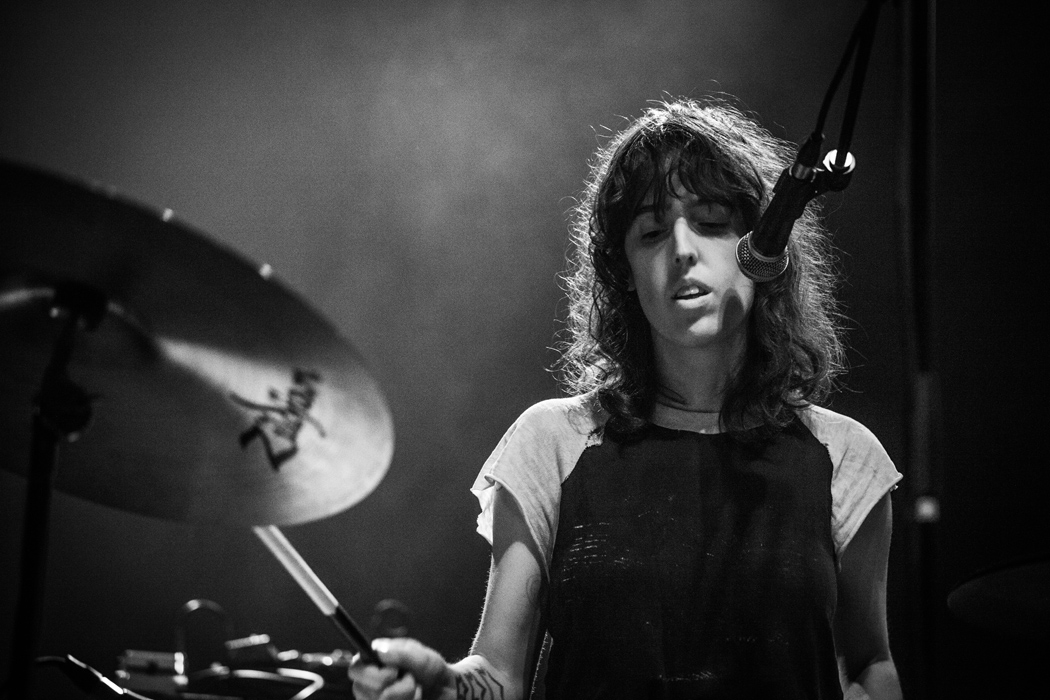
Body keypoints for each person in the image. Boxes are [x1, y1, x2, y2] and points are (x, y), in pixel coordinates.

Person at [349, 98, 903, 700]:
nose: (682, 250)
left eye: (713, 221)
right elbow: (498, 675)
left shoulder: (844, 455)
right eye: (652, 232)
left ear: (766, 248)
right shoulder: (554, 442)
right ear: (625, 272)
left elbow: (867, 665)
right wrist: (436, 686)